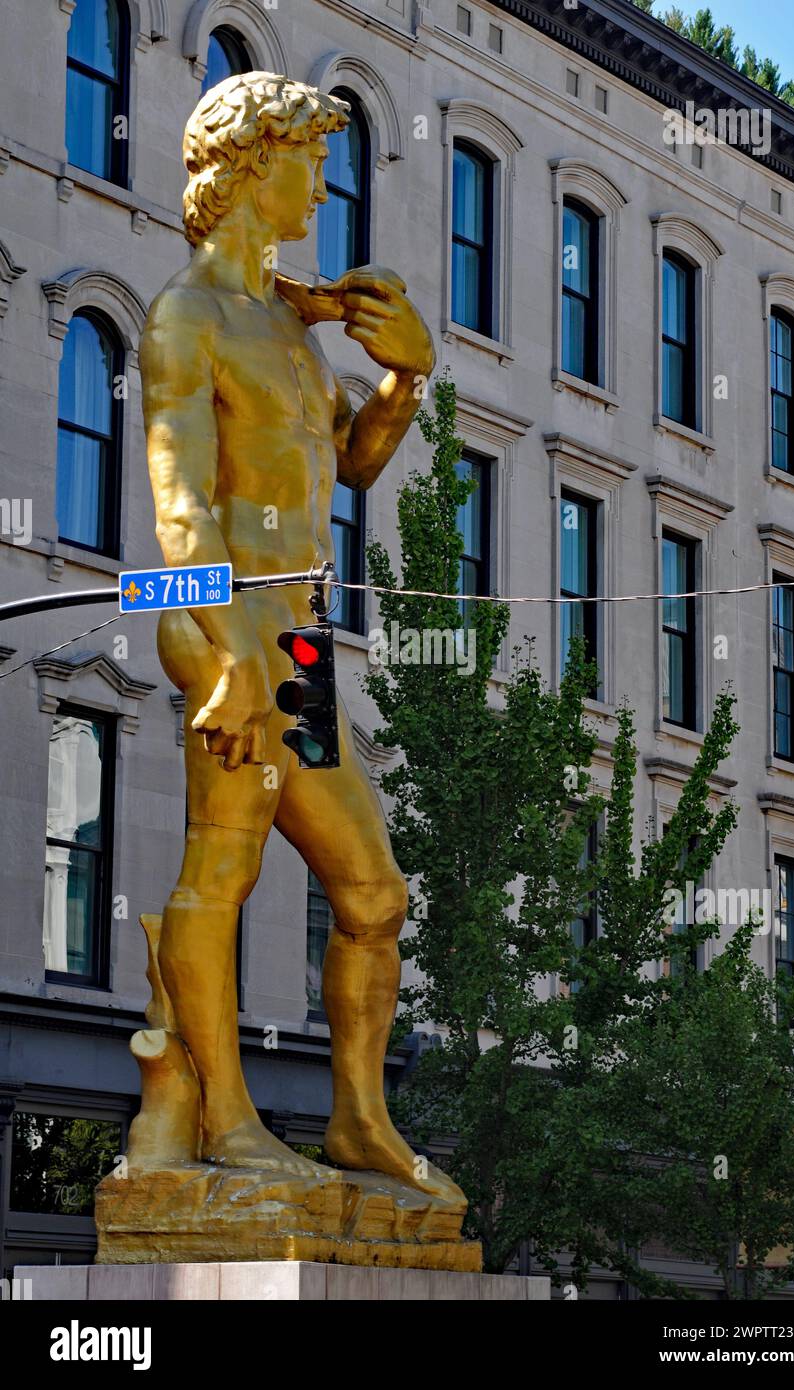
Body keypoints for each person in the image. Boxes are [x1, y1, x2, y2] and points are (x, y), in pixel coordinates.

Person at [140, 71, 461, 1205]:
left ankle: (358, 1121)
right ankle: (217, 1122)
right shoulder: (186, 316)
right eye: (308, 160)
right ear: (245, 165)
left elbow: (354, 465)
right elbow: (180, 502)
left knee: (373, 896)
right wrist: (223, 652)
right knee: (219, 867)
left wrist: (405, 375)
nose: (323, 182)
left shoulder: (287, 321)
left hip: (305, 646)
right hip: (229, 625)